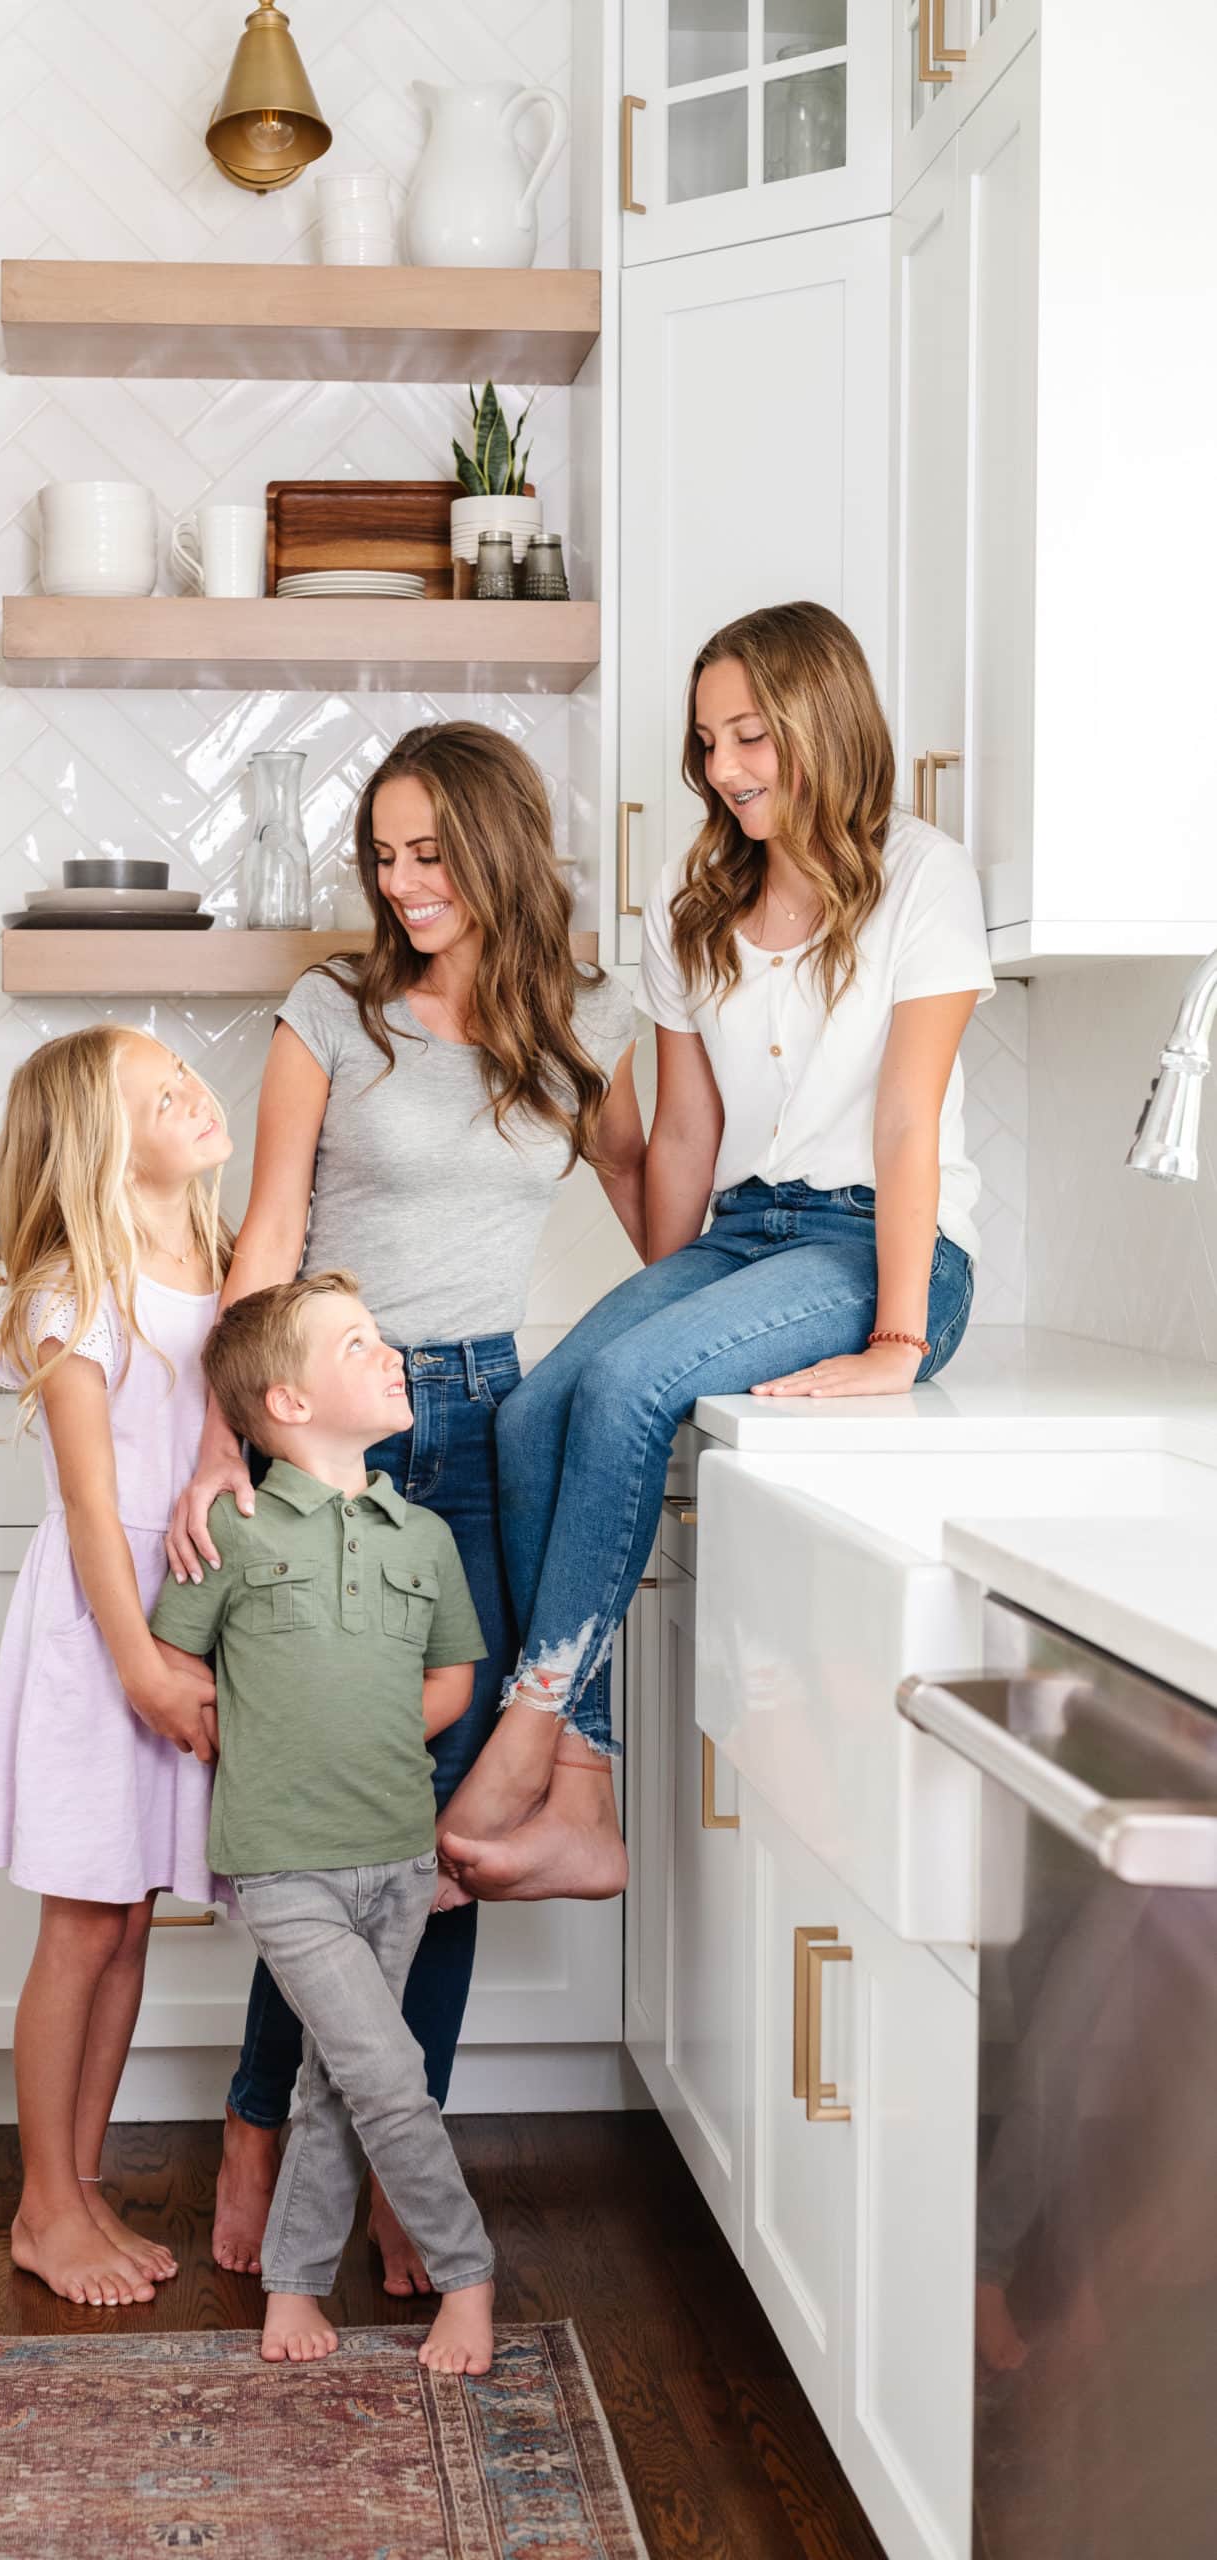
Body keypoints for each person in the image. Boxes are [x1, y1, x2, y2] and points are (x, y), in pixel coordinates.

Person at [164, 721, 643, 2284]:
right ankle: (258, 2131)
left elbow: (662, 1219)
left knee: (439, 1834)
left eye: (428, 849)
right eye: (382, 852)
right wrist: (223, 1433)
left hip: (491, 1432)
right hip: (329, 1426)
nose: (400, 879)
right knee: (323, 1822)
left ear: (499, 844)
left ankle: (387, 2157)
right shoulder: (332, 1009)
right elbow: (271, 1223)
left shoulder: (581, 1023)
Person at [438, 599, 991, 1903]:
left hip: (878, 1252)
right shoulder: (693, 907)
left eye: (751, 734)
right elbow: (681, 1136)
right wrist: (654, 1293)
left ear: (822, 719)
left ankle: (528, 1735)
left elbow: (907, 1118)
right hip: (743, 1243)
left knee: (630, 1391)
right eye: (708, 742)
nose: (727, 766)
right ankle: (583, 1791)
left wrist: (898, 1342)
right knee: (534, 1414)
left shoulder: (921, 871)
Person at [152, 1272, 496, 2375]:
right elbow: (172, 1660)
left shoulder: (423, 1536)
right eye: (358, 1344)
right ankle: (469, 2275)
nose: (390, 1352)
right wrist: (243, 1732)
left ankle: (297, 2286)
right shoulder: (235, 1529)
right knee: (388, 2075)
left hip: (398, 1855)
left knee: (336, 2080)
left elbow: (452, 1675)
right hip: (283, 1865)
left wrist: (371, 1730)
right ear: (288, 1403)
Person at [0, 1026, 231, 2308]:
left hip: (172, 1617)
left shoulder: (223, 1261)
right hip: (100, 1625)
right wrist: (137, 1659)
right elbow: (90, 1508)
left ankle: (73, 2188)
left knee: (130, 1914)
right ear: (97, 1147)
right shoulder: (81, 1287)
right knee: (82, 1919)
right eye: (159, 1093)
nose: (195, 1092)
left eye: (186, 1073)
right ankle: (42, 2204)